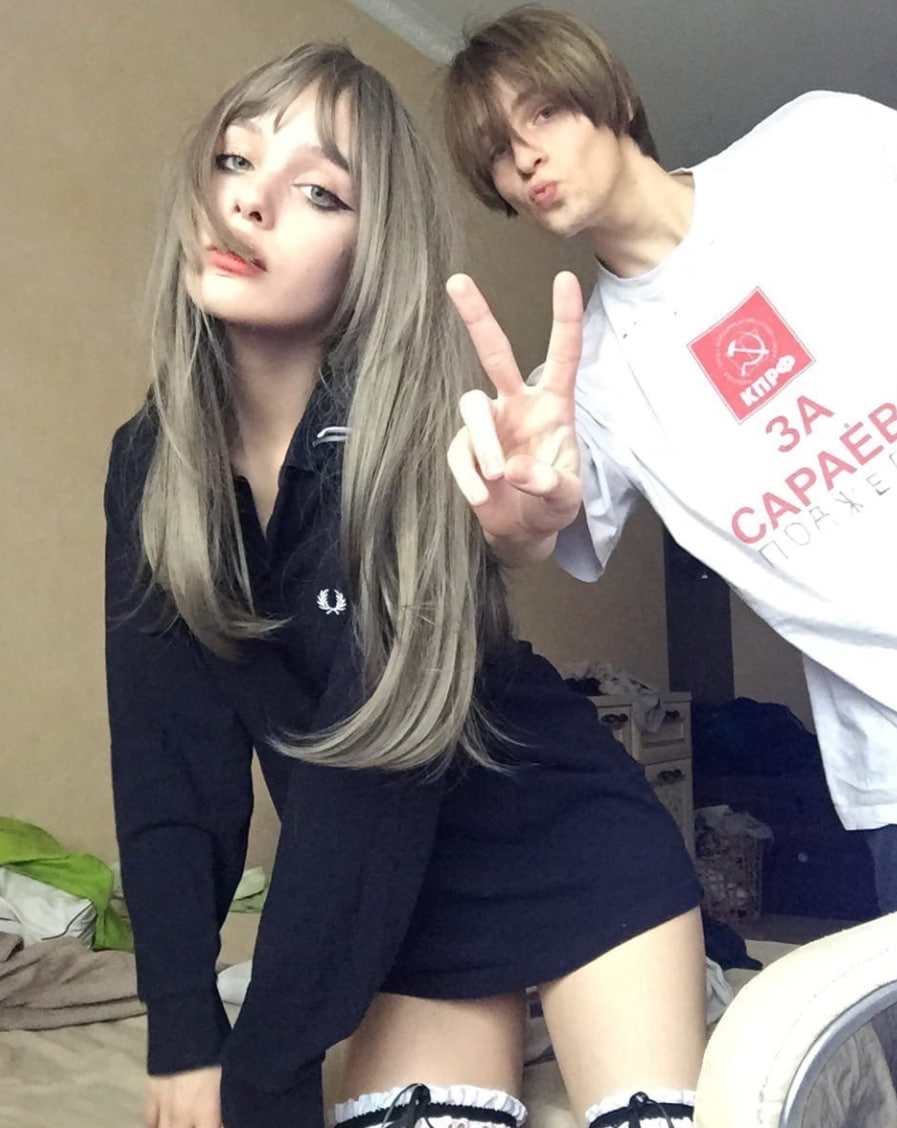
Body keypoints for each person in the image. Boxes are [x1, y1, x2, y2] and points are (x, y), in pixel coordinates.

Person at [104, 40, 705, 1128]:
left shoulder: (417, 448)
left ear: (370, 251)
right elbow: (170, 774)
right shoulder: (148, 466)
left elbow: (367, 780)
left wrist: (266, 1065)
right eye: (235, 161)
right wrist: (184, 1033)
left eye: (318, 191)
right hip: (399, 906)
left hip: (565, 843)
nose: (249, 203)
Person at [441, 6, 897, 916]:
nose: (523, 158)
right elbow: (534, 536)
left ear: (612, 96)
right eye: (495, 151)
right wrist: (509, 519)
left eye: (542, 113)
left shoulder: (821, 149)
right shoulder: (589, 387)